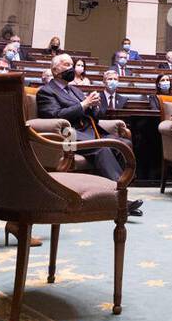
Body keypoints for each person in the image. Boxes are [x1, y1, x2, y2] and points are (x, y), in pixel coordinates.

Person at [36, 54, 141, 214]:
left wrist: (94, 106)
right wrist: (84, 104)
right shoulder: (46, 92)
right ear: (55, 69)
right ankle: (120, 200)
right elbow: (55, 116)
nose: (71, 68)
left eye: (72, 64)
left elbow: (94, 115)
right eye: (66, 65)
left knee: (123, 144)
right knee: (103, 148)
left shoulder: (75, 90)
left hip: (89, 131)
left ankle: (116, 191)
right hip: (68, 135)